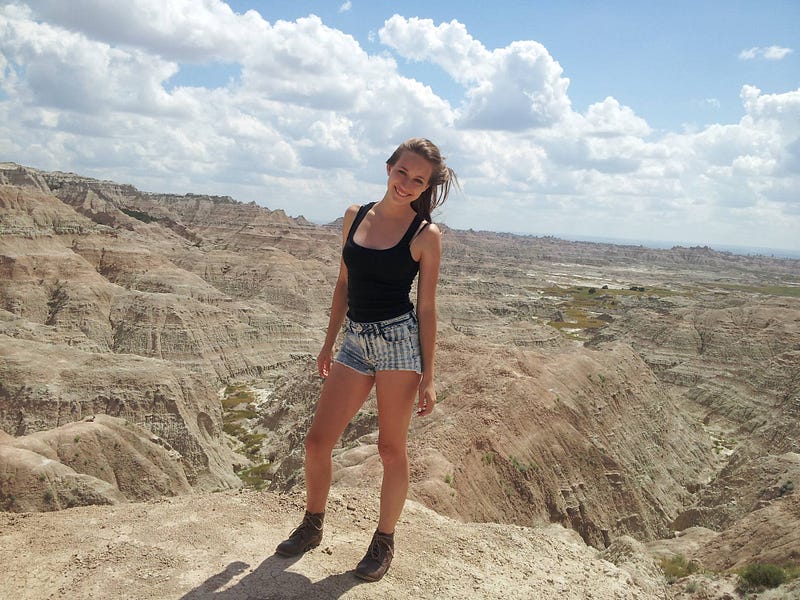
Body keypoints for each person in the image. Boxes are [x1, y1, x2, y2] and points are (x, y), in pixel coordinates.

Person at [275, 138, 457, 582]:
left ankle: (383, 541)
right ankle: (312, 524)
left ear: (427, 186)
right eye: (403, 172)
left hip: (399, 344)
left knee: (391, 449)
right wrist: (328, 342)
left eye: (419, 180)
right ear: (388, 166)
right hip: (355, 341)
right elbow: (343, 283)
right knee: (318, 442)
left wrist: (429, 376)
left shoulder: (425, 235)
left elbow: (427, 309)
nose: (407, 184)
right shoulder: (355, 215)